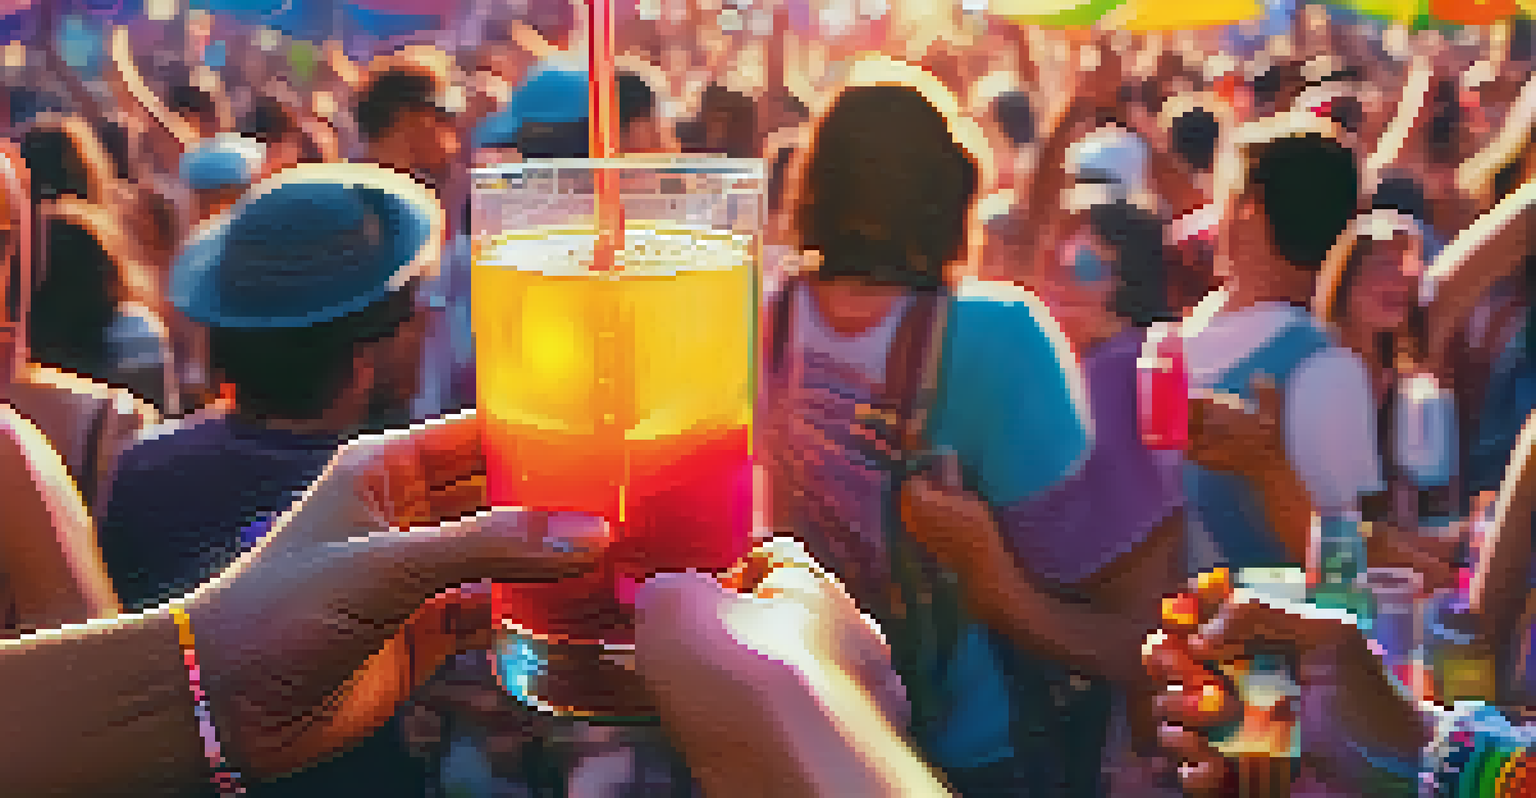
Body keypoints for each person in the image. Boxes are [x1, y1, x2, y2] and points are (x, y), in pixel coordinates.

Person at [758, 56, 1134, 797]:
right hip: (969, 750)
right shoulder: (1001, 337)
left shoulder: (748, 323)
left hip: (789, 730)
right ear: (952, 189)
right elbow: (1090, 574)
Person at [96, 162, 437, 797]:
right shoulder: (402, 496)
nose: (427, 328)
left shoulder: (141, 472)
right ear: (367, 354)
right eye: (413, 313)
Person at [1179, 112, 1379, 579]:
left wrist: (1268, 468)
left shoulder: (1326, 371)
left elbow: (1340, 575)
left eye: (1222, 197)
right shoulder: (1327, 368)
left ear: (1248, 207)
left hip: (1257, 648)